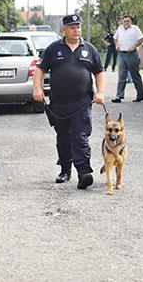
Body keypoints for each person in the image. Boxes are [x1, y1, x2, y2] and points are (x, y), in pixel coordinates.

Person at [33, 14, 106, 189]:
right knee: (63, 138)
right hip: (59, 103)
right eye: (72, 27)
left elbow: (99, 72)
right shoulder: (53, 48)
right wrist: (37, 88)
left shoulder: (89, 49)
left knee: (80, 137)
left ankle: (84, 173)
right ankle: (65, 170)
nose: (76, 30)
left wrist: (101, 92)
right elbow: (40, 69)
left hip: (82, 102)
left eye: (78, 27)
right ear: (64, 29)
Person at [111, 15, 143, 103]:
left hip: (131, 54)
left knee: (135, 76)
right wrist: (116, 45)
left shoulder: (135, 29)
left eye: (128, 21)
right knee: (121, 76)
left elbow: (141, 39)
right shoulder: (120, 28)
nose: (126, 23)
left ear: (131, 22)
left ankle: (140, 95)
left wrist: (134, 46)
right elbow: (115, 38)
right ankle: (119, 96)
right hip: (122, 53)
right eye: (124, 21)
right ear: (122, 22)